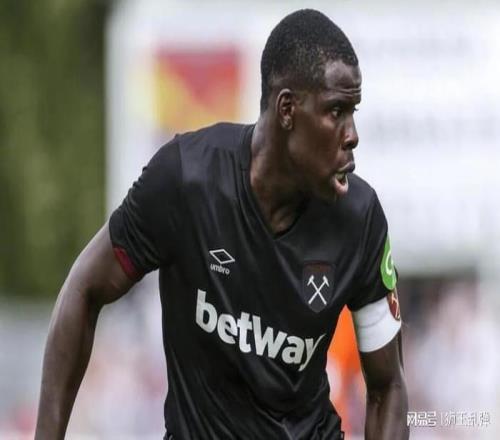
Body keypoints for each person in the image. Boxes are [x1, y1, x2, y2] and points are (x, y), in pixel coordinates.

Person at [35, 9, 408, 440]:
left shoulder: (360, 219)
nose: (352, 134)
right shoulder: (185, 180)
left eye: (353, 111)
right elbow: (83, 289)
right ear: (287, 109)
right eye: (336, 111)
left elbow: (388, 386)